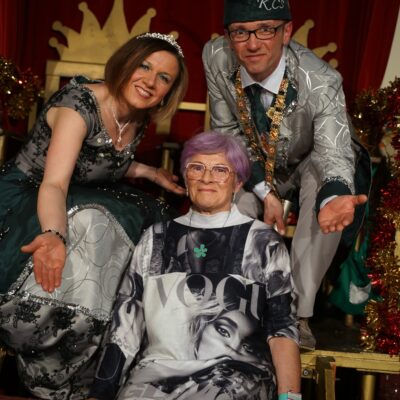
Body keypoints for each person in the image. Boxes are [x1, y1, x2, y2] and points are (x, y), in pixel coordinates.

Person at [0, 32, 187, 398]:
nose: (150, 81)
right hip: (30, 194)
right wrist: (54, 234)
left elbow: (102, 160)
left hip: (78, 190)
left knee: (153, 223)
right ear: (125, 63)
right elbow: (55, 183)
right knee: (97, 221)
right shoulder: (79, 105)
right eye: (144, 66)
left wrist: (150, 172)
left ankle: (121, 348)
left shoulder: (139, 113)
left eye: (163, 77)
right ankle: (60, 349)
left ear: (169, 91)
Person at [202, 0, 371, 349]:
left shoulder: (321, 80)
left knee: (323, 195)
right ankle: (231, 305)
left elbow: (332, 151)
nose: (252, 43)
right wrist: (266, 193)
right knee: (230, 193)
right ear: (228, 36)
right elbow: (227, 131)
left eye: (266, 30)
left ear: (287, 32)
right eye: (241, 32)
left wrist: (334, 193)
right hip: (254, 158)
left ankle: (296, 314)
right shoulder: (216, 56)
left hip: (312, 158)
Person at [89, 132, 301, 400]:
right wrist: (100, 393)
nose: (207, 178)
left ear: (238, 183)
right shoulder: (156, 238)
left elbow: (281, 328)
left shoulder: (262, 241)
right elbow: (125, 326)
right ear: (185, 176)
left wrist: (290, 397)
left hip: (235, 381)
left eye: (220, 170)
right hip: (155, 378)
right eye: (197, 167)